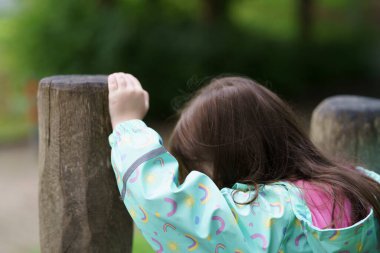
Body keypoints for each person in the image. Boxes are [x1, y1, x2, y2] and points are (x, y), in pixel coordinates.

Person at [107, 72, 380, 252]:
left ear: (232, 157)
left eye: (197, 167)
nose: (201, 181)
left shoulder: (264, 216)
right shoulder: (365, 187)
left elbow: (167, 204)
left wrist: (127, 126)